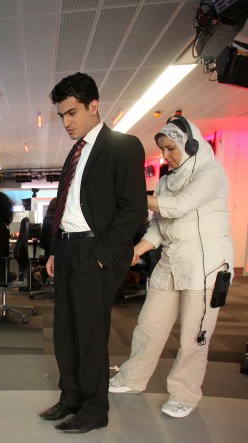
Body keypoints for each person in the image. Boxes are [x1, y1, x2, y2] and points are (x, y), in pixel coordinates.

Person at [40, 72, 147, 434]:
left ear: (94, 106)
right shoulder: (75, 151)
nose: (66, 122)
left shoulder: (123, 145)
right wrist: (56, 250)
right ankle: (70, 397)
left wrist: (102, 256)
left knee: (90, 335)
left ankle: (94, 409)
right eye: (62, 116)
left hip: (93, 252)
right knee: (65, 332)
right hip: (68, 249)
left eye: (72, 113)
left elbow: (132, 210)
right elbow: (66, 206)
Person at [108, 116, 233, 419]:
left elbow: (178, 207)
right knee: (148, 327)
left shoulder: (211, 173)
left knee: (194, 337)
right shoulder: (166, 181)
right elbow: (159, 226)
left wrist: (131, 197)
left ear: (190, 145)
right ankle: (132, 378)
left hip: (205, 264)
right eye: (162, 150)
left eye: (170, 149)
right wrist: (136, 251)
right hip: (171, 262)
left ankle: (184, 394)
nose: (165, 156)